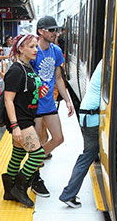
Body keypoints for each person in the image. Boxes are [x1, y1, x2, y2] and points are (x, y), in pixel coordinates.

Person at [31, 16, 76, 198]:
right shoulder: (32, 51)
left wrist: (67, 99)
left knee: (58, 138)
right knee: (36, 143)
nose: (55, 33)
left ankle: (30, 167)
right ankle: (34, 178)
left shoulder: (56, 51)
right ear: (41, 31)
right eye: (52, 30)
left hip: (49, 104)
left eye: (55, 30)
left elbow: (58, 78)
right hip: (33, 106)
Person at [2, 34, 48, 207]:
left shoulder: (27, 67)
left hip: (26, 116)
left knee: (18, 155)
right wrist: (15, 126)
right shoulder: (15, 70)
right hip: (21, 120)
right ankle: (19, 188)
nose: (36, 50)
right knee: (37, 155)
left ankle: (9, 191)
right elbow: (8, 100)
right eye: (31, 46)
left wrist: (38, 93)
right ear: (20, 48)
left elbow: (26, 90)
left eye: (36, 46)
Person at [59, 60, 103, 208]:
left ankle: (69, 193)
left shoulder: (106, 60)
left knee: (87, 155)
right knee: (88, 155)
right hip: (93, 116)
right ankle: (68, 194)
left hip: (88, 114)